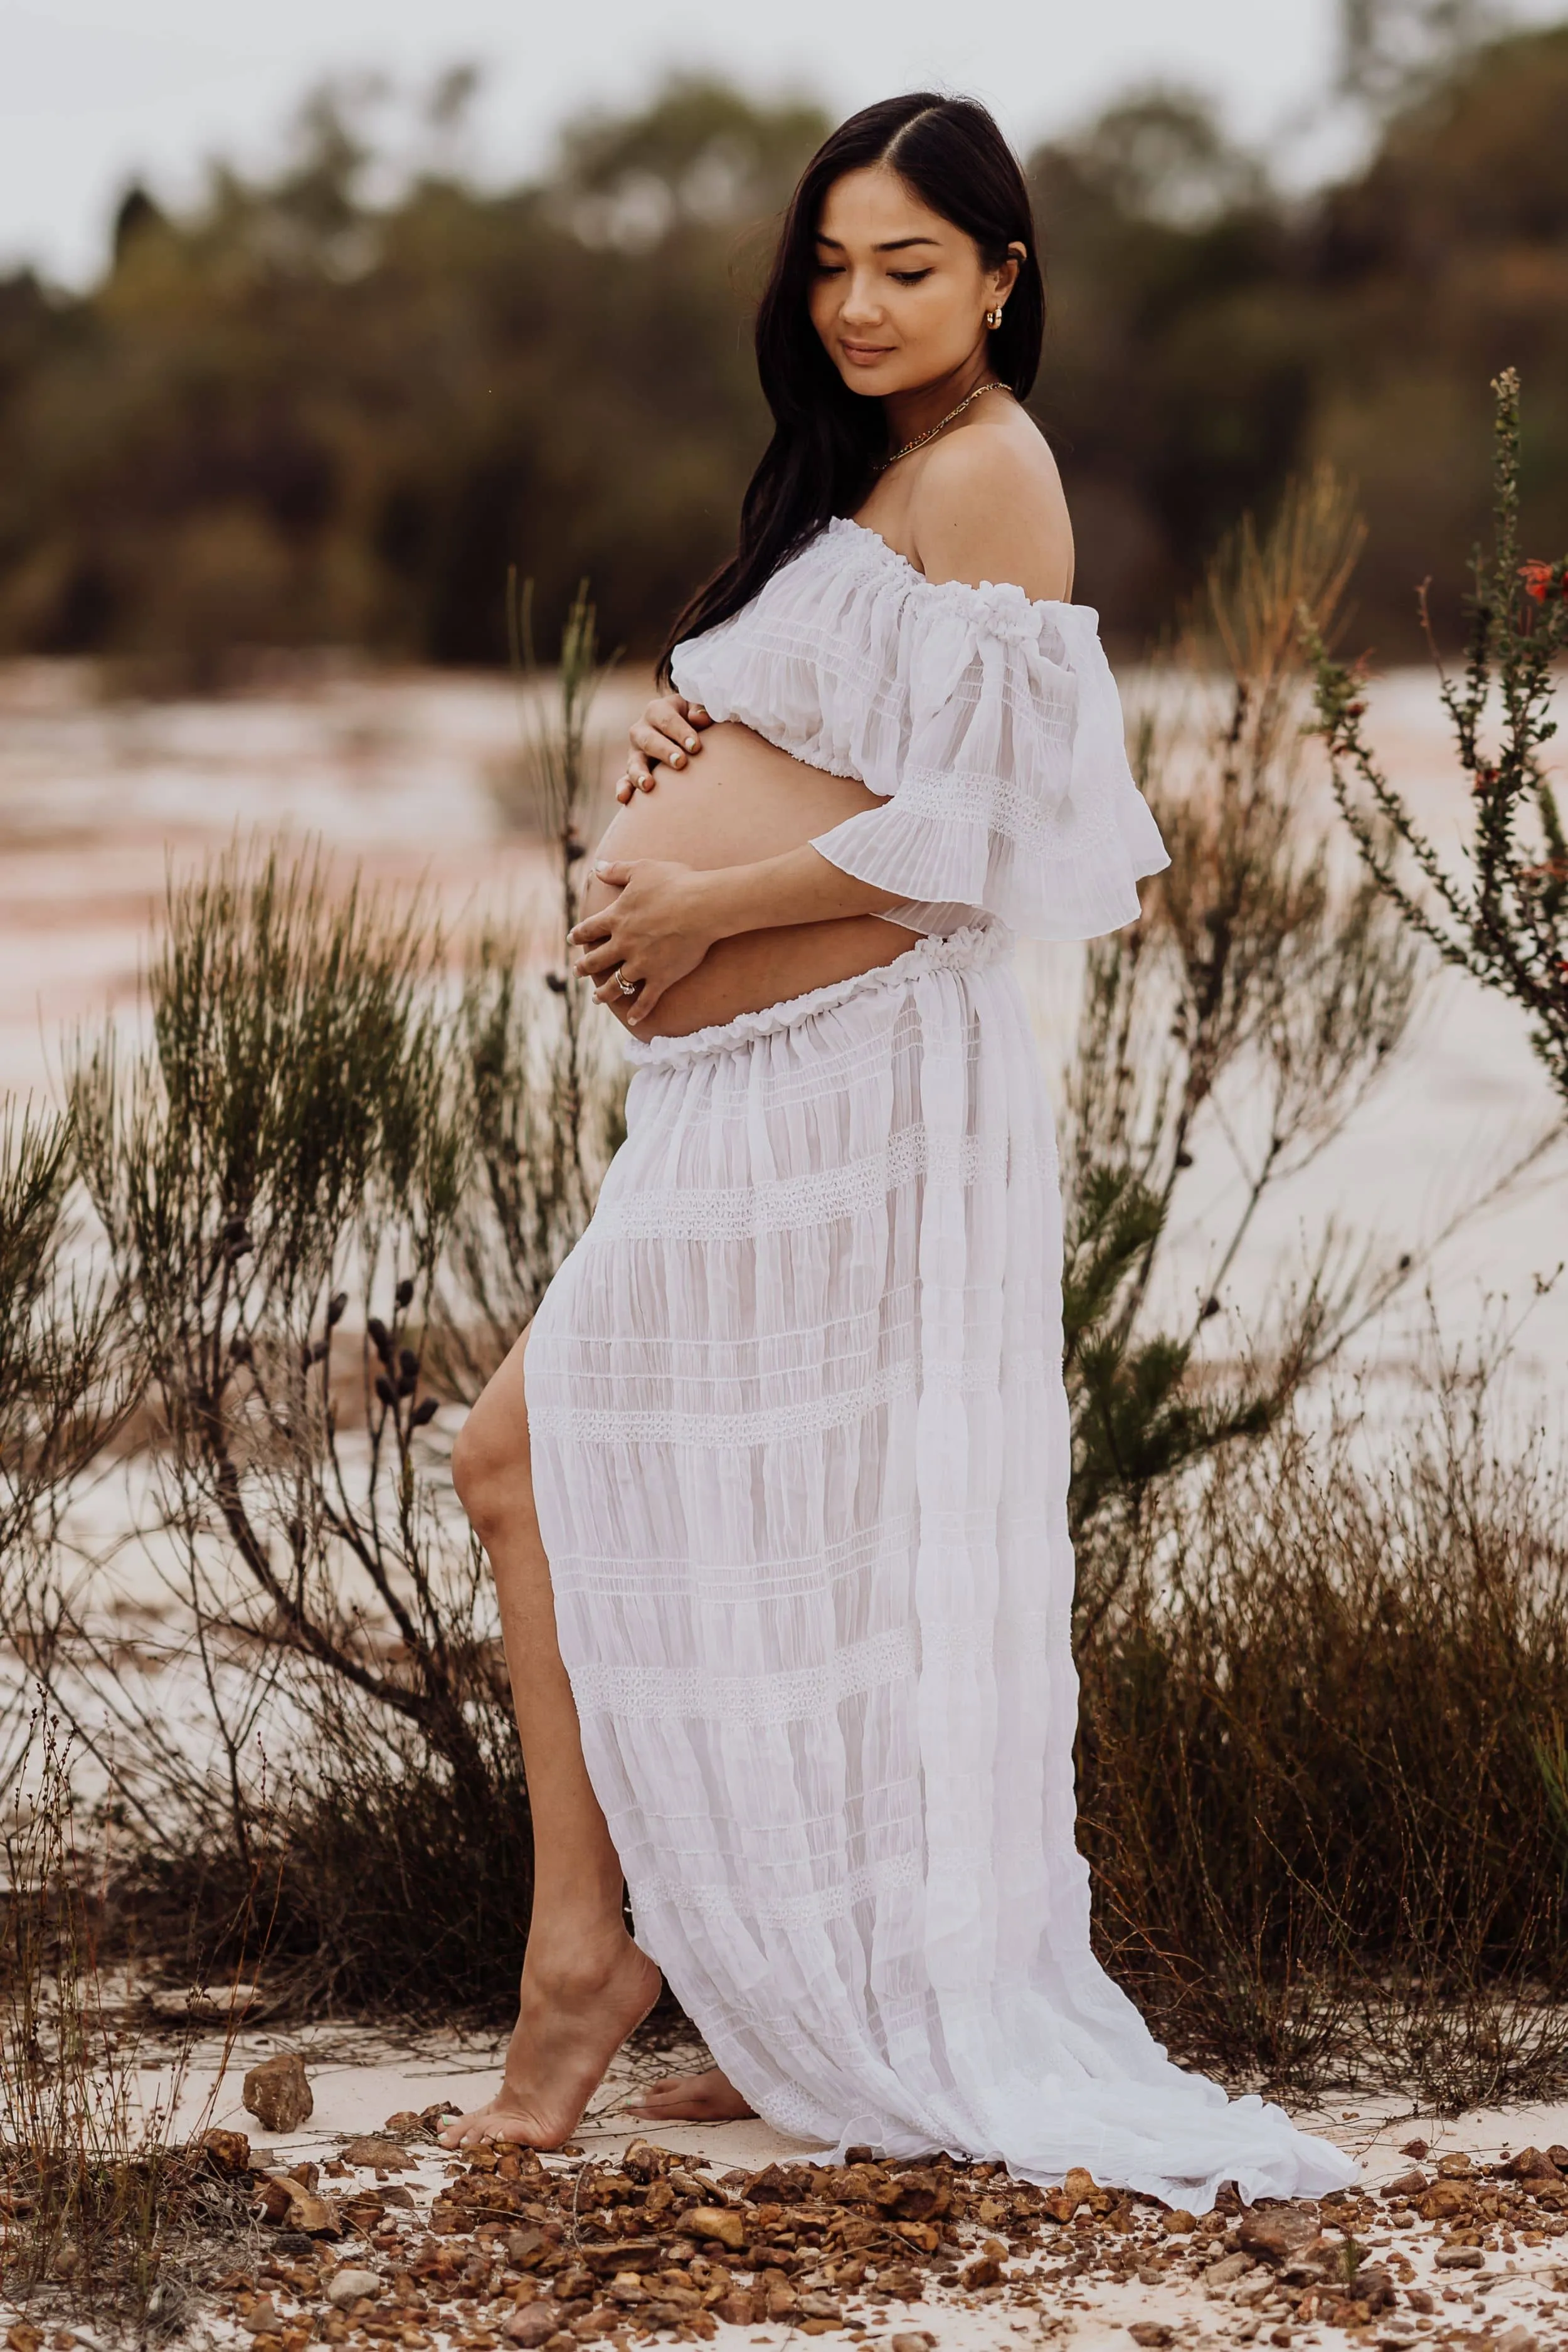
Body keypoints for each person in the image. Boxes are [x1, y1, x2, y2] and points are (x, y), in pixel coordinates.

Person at [442, 91, 1356, 2208]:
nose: (857, 303)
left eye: (909, 266)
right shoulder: (866, 473)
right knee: (731, 1502)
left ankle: (591, 1959)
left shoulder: (998, 467)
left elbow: (981, 852)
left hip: (860, 1084)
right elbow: (845, 752)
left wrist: (689, 907)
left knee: (519, 1456)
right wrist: (692, 747)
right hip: (750, 1090)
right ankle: (746, 1962)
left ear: (1003, 277)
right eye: (833, 263)